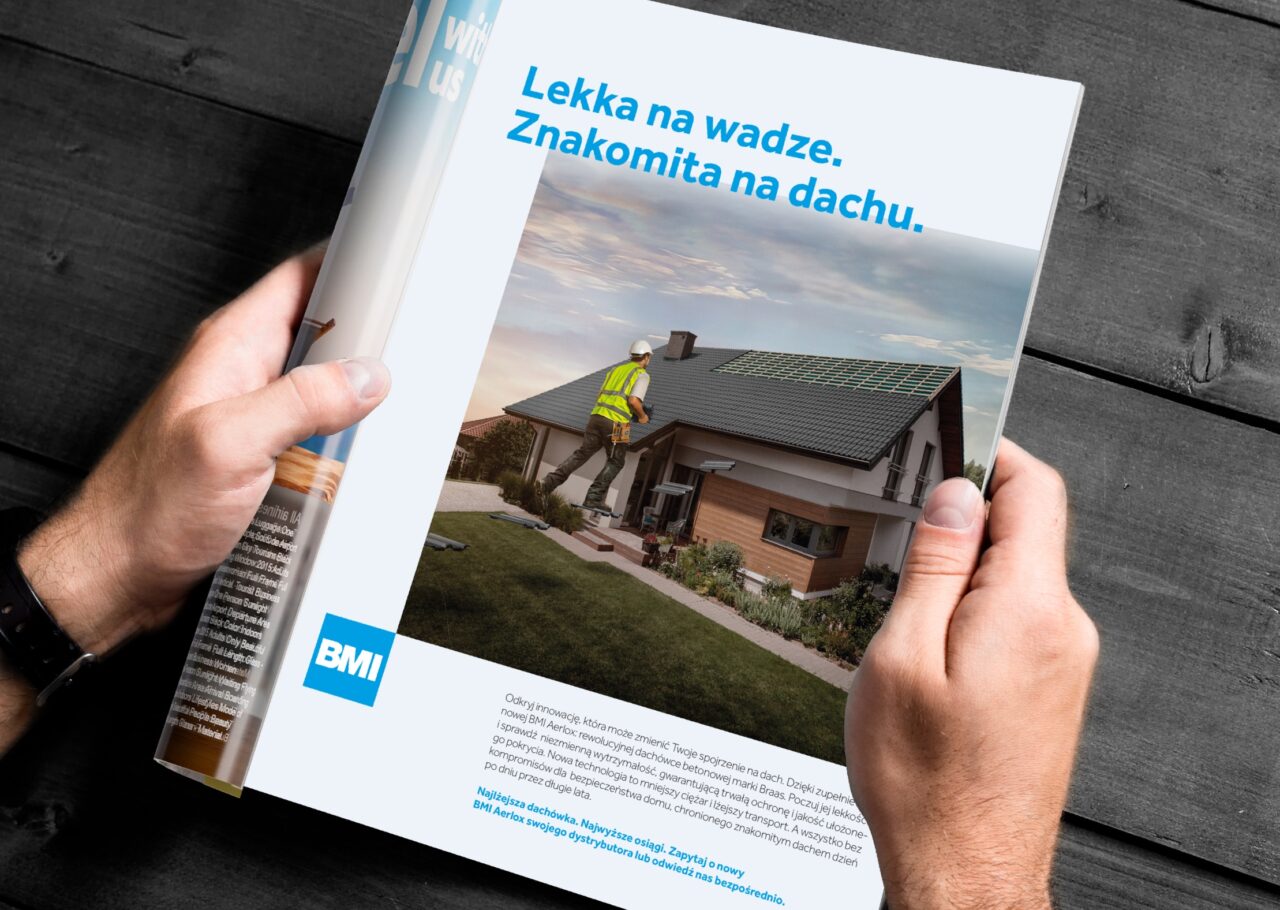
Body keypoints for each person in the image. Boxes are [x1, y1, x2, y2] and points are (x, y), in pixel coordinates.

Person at [0, 251, 1098, 907]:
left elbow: (643, 413)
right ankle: (613, 489)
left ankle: (618, 488)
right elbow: (617, 404)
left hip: (654, 438)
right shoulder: (637, 373)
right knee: (608, 469)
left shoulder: (720, 392)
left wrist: (91, 576)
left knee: (632, 477)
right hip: (636, 433)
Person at [539, 339, 652, 512]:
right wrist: (643, 416)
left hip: (596, 416)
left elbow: (601, 394)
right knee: (617, 461)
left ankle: (548, 483)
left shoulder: (615, 370)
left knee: (582, 453)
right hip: (619, 422)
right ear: (645, 356)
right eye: (648, 357)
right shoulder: (642, 374)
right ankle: (593, 498)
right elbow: (633, 400)